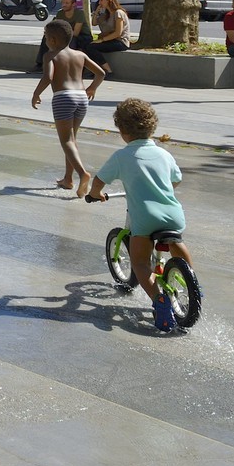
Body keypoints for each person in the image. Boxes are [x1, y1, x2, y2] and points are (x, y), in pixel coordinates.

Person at [85, 99, 193, 333]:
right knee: (177, 242)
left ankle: (159, 301)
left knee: (140, 263)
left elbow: (99, 182)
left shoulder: (122, 156)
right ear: (152, 128)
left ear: (122, 131)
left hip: (145, 218)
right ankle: (192, 283)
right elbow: (176, 179)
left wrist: (96, 194)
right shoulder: (164, 154)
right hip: (173, 214)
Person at [30, 18, 107, 196]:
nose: (46, 41)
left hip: (63, 98)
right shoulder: (80, 55)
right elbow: (101, 73)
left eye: (46, 38)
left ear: (53, 40)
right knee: (71, 140)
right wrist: (92, 87)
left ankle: (82, 174)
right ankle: (68, 179)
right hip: (81, 98)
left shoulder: (50, 55)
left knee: (66, 141)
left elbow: (48, 77)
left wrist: (36, 93)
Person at [35, 0, 89, 68]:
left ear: (73, 4)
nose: (64, 5)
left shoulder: (80, 13)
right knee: (46, 38)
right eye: (63, 2)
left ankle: (67, 65)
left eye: (67, 3)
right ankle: (40, 64)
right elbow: (55, 27)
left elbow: (76, 33)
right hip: (66, 35)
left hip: (82, 36)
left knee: (71, 40)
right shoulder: (60, 13)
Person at [86, 0, 131, 69]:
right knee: (88, 45)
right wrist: (96, 11)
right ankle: (96, 69)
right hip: (110, 40)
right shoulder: (105, 15)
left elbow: (118, 33)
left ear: (109, 1)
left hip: (120, 42)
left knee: (91, 47)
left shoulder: (118, 13)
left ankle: (106, 69)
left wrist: (102, 40)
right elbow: (94, 23)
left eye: (101, 0)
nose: (99, 3)